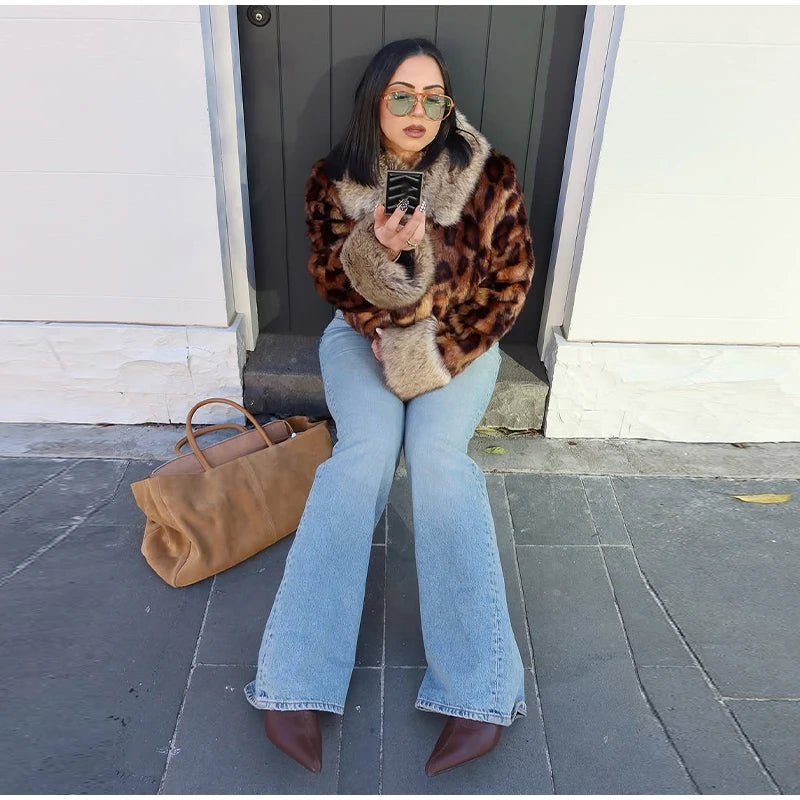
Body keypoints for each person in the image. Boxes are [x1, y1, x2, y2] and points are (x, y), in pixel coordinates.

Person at [244, 37, 535, 778]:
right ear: (376, 100)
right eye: (401, 95)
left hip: (460, 345)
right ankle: (294, 679)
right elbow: (335, 286)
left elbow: (508, 285)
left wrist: (430, 353)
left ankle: (480, 689)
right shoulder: (335, 179)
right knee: (364, 458)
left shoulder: (488, 175)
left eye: (432, 97)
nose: (418, 111)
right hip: (360, 340)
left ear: (447, 105)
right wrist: (375, 261)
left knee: (439, 462)